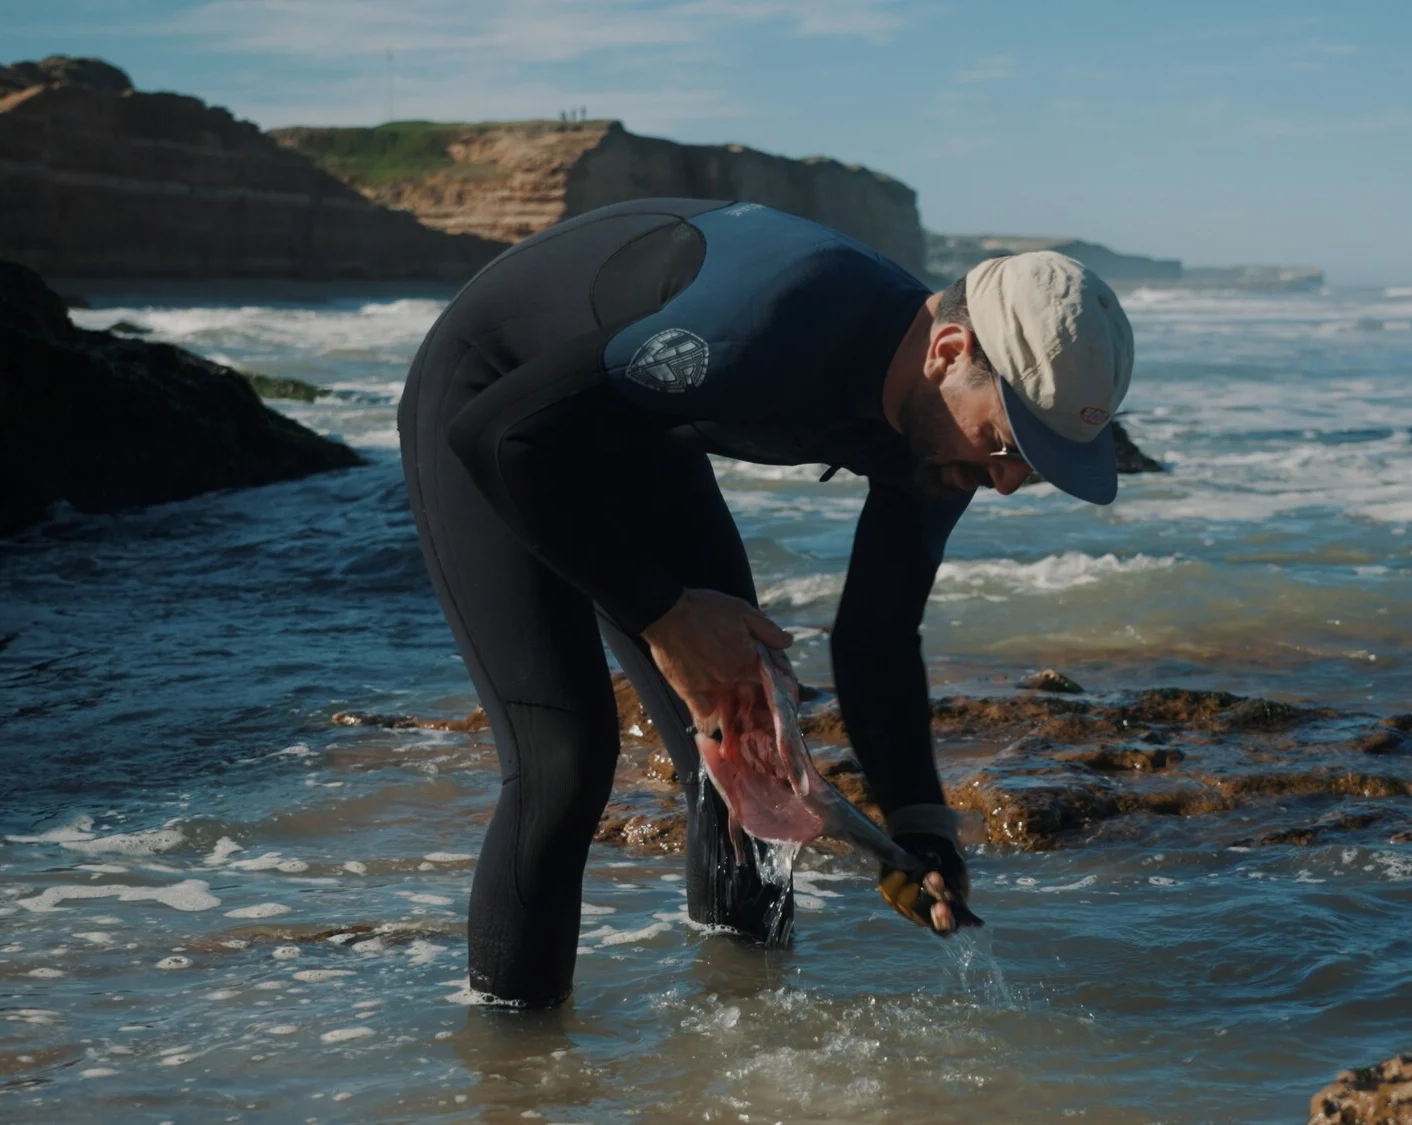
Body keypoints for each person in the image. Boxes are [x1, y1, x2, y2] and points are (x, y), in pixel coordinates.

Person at [397, 198, 1135, 1007]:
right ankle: (513, 1082)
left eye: (1032, 463)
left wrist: (919, 830)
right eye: (1006, 443)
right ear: (949, 352)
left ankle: (739, 1040)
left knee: (744, 763)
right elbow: (499, 437)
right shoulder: (765, 328)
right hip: (494, 397)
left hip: (634, 430)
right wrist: (664, 614)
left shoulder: (944, 444)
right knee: (562, 762)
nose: (1005, 479)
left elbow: (878, 635)